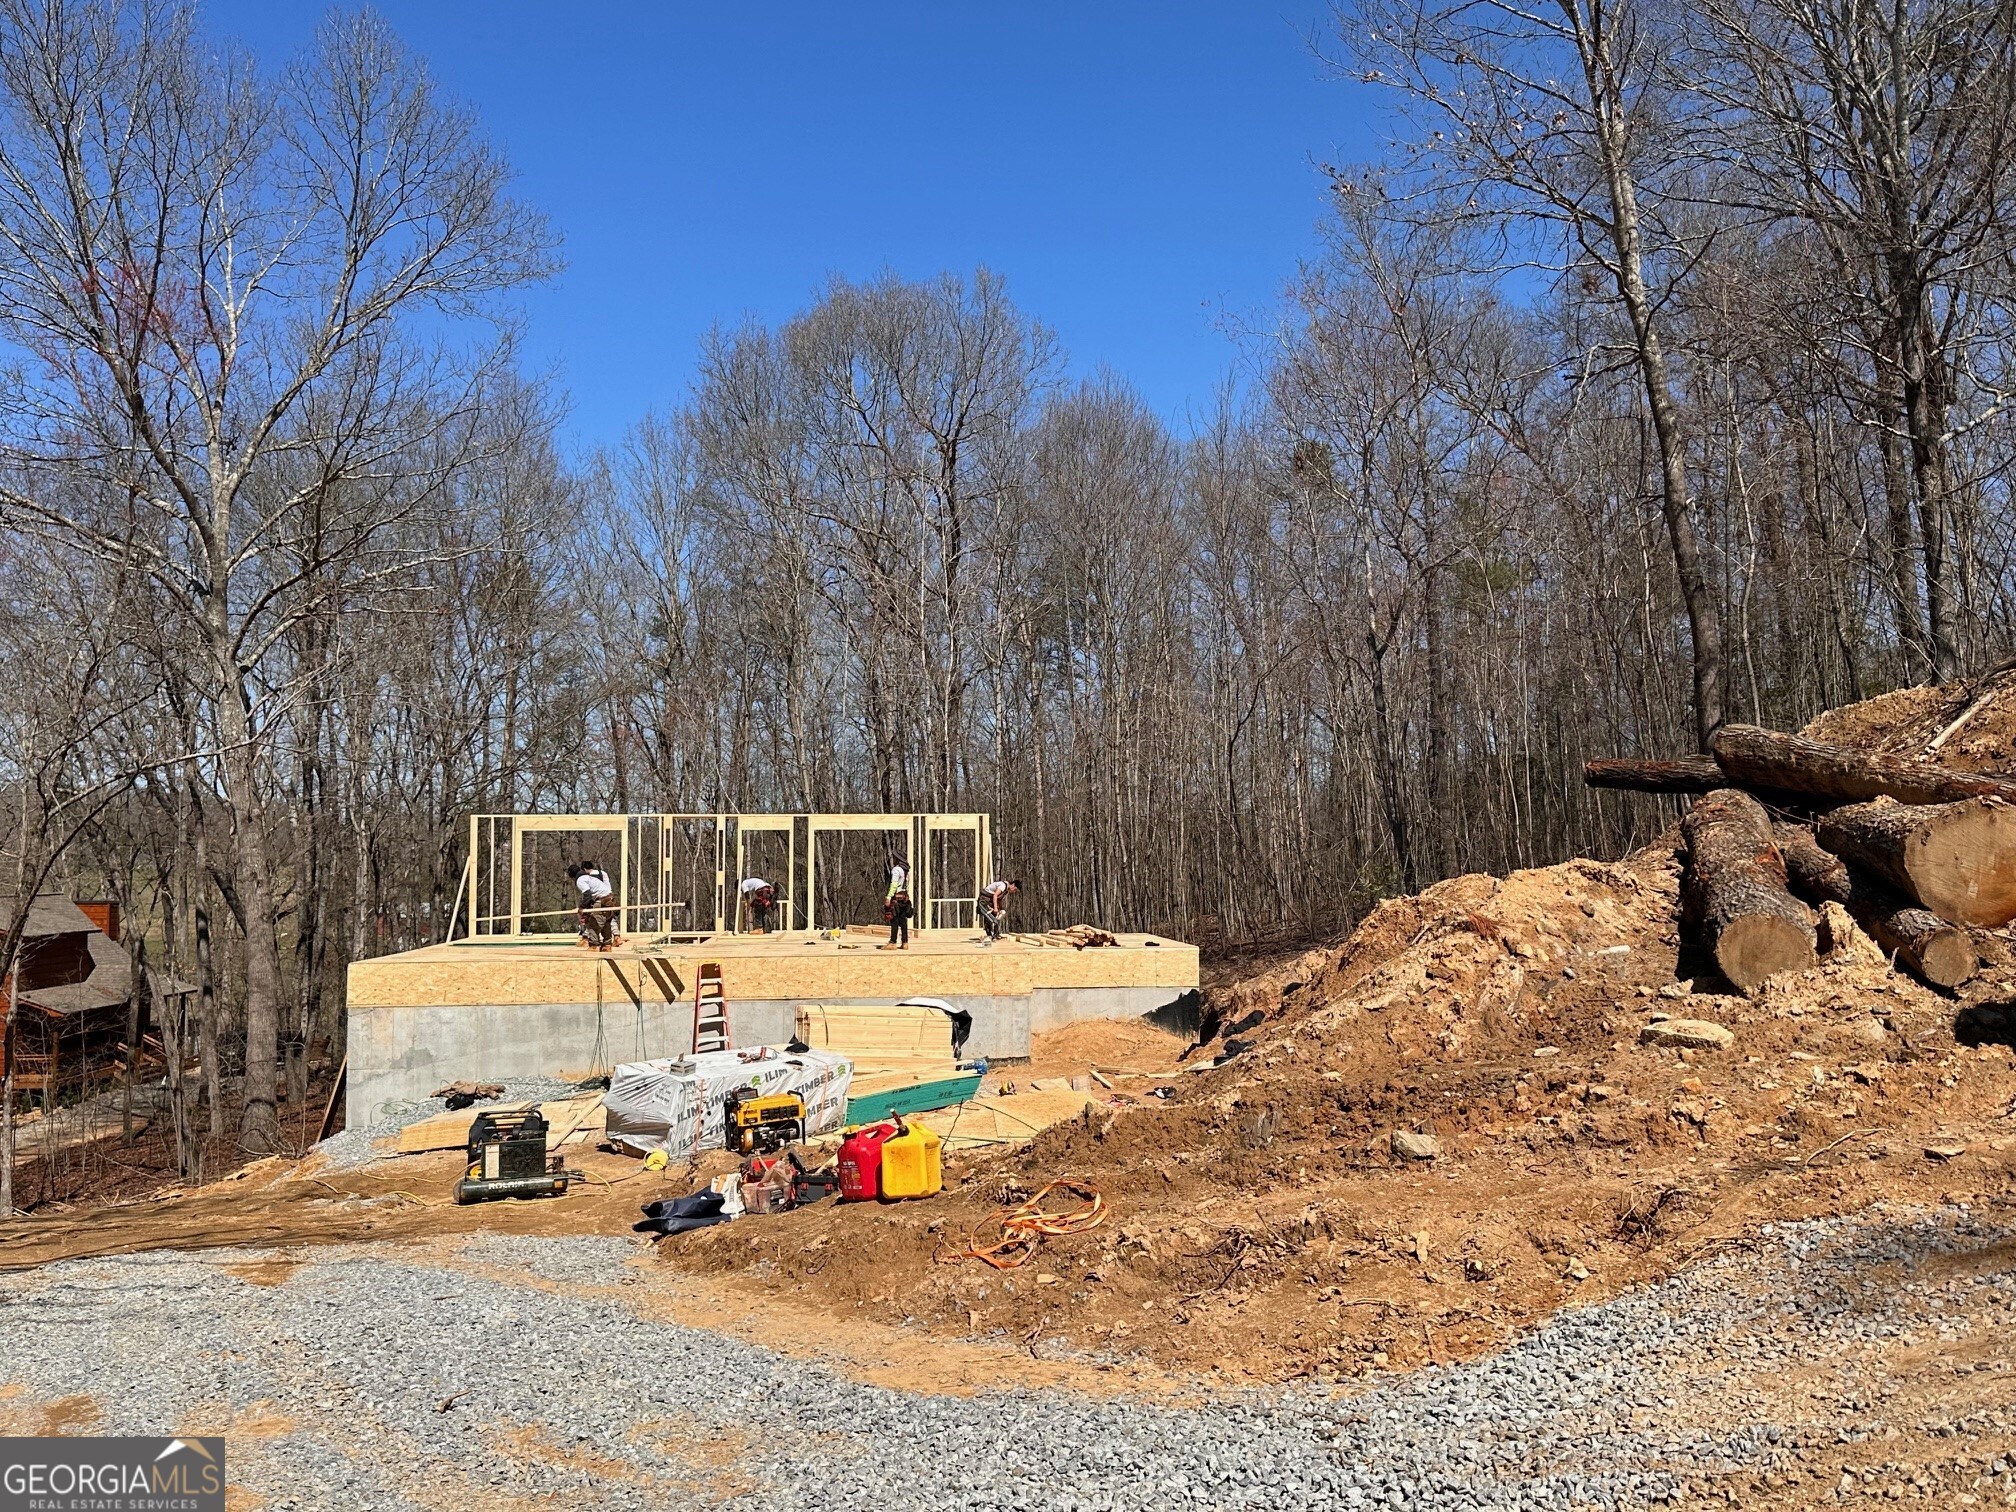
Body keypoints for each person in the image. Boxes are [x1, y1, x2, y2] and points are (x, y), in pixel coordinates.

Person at [571, 859, 619, 950]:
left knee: (593, 923)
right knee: (606, 923)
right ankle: (607, 945)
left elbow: (587, 894)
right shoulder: (588, 877)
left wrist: (582, 907)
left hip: (603, 900)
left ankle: (594, 945)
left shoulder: (580, 880)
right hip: (610, 899)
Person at [882, 856, 913, 951]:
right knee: (903, 921)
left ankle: (893, 942)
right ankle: (905, 942)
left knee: (894, 920)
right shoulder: (906, 871)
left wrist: (889, 896)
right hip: (904, 898)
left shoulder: (896, 870)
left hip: (896, 898)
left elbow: (894, 884)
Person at [976, 878, 1021, 945]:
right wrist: (995, 908)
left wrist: (1000, 909)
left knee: (997, 917)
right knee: (989, 917)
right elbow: (995, 895)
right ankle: (989, 935)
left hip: (990, 900)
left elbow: (998, 899)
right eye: (1015, 890)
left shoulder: (1006, 890)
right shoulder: (1003, 886)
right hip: (984, 899)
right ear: (1013, 885)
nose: (1014, 891)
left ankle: (995, 935)